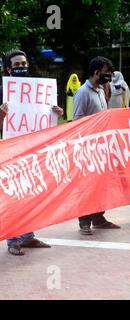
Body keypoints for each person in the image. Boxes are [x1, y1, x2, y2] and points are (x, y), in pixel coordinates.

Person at [0, 49, 59, 255]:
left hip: (32, 153)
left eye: (24, 63)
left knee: (30, 194)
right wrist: (1, 116)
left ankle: (28, 236)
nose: (22, 67)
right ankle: (12, 241)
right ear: (9, 69)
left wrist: (57, 114)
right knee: (13, 197)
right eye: (17, 65)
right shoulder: (2, 92)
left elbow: (46, 121)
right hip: (10, 154)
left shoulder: (38, 90)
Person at [73, 56, 121, 235]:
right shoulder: (82, 92)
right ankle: (84, 221)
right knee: (87, 184)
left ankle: (98, 217)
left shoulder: (101, 90)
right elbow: (77, 120)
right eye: (107, 72)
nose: (109, 76)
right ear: (96, 72)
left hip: (102, 146)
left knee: (102, 183)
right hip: (88, 147)